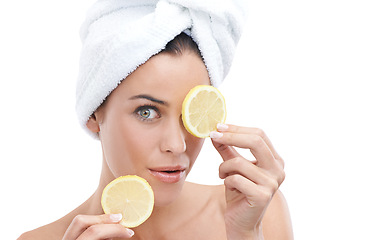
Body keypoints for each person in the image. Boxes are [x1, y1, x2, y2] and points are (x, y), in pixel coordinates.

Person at [19, 1, 293, 239]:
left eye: (189, 115)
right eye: (146, 112)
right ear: (93, 114)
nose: (177, 145)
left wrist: (245, 236)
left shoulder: (257, 213)